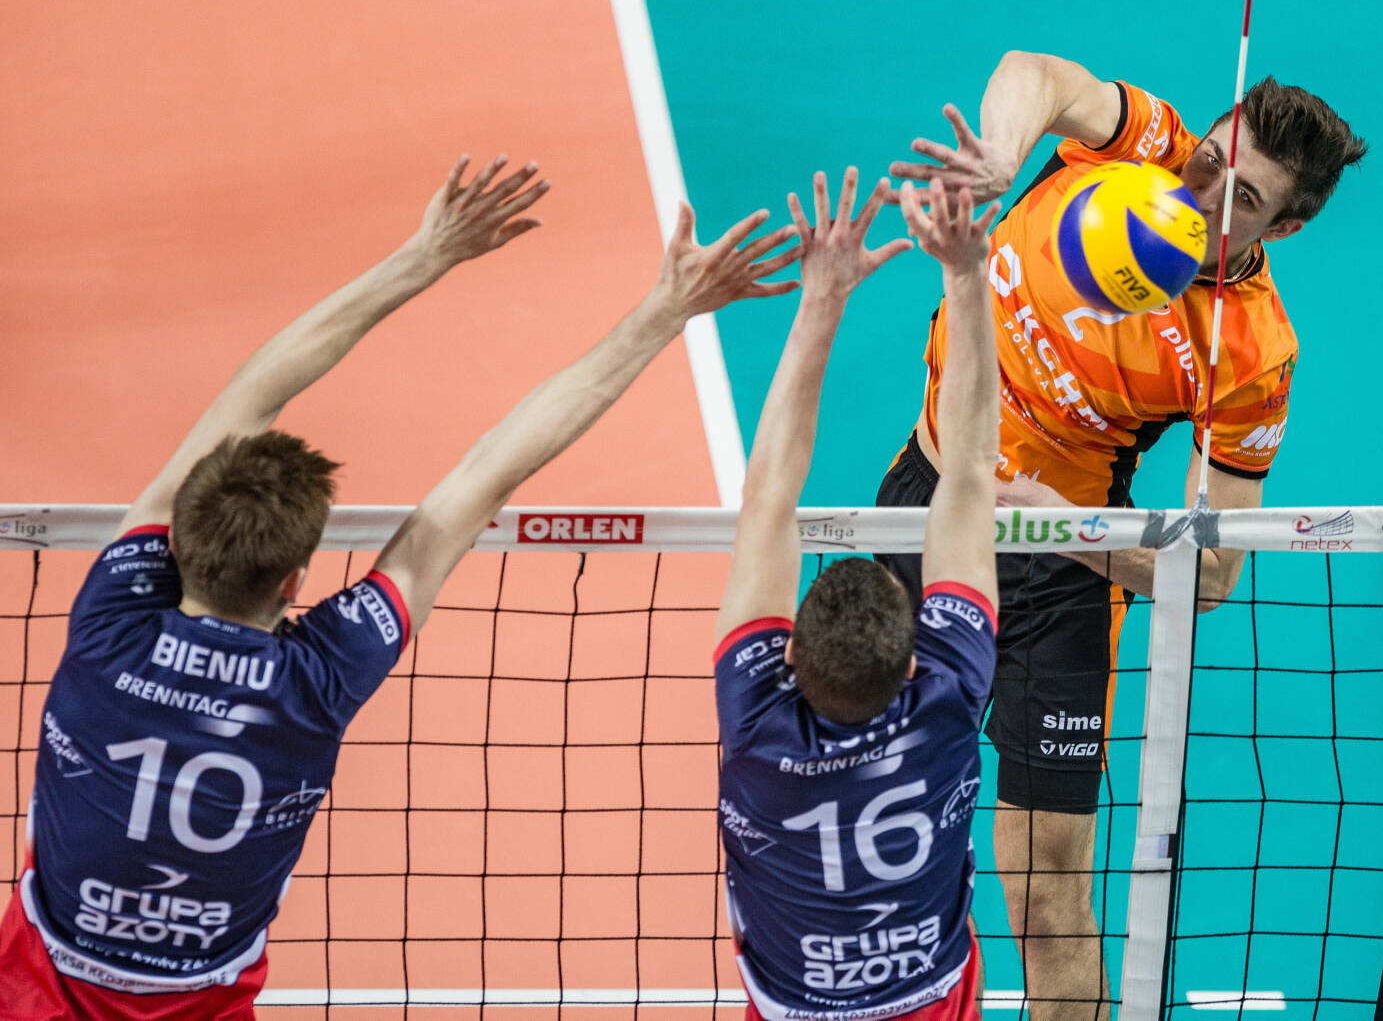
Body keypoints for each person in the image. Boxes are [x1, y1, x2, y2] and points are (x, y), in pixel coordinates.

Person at [0, 155, 799, 1021]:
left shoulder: (111, 619)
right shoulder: (319, 676)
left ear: (173, 542)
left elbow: (252, 391)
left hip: (32, 991)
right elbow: (482, 478)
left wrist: (424, 254)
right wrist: (665, 311)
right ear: (297, 579)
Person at [876, 52, 1368, 1019]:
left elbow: (1212, 572)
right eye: (1214, 161)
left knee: (1047, 895)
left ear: (1285, 228)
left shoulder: (1249, 352)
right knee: (857, 825)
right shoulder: (1144, 146)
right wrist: (999, 156)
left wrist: (1049, 520)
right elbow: (1035, 74)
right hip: (923, 513)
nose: (1206, 194)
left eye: (1246, 199)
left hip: (1059, 580)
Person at [713, 168, 999, 1021]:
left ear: (787, 653)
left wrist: (821, 295)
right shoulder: (947, 700)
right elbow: (970, 474)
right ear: (912, 662)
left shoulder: (756, 724)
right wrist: (965, 274)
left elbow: (768, 495)